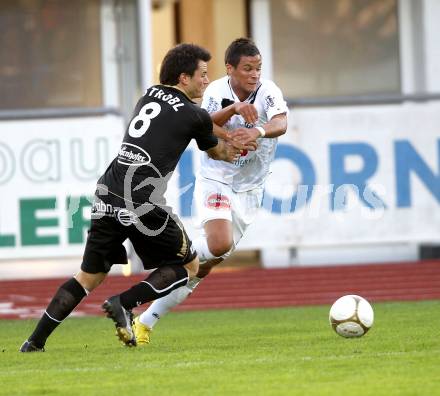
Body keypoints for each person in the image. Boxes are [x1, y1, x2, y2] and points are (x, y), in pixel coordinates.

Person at [19, 43, 250, 352]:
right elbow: (215, 149)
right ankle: (123, 303)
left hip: (108, 191)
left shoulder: (149, 95)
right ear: (184, 78)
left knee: (88, 276)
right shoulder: (193, 114)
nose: (207, 81)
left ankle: (34, 341)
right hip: (141, 198)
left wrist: (227, 127)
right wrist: (236, 148)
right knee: (188, 266)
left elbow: (197, 123)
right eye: (203, 75)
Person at [131, 37, 288, 346]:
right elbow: (202, 126)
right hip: (217, 177)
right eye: (247, 69)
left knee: (203, 267)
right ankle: (176, 256)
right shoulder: (216, 91)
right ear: (230, 69)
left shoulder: (268, 91)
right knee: (218, 244)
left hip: (250, 188)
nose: (254, 74)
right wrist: (231, 126)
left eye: (258, 68)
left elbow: (282, 122)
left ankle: (145, 321)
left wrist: (255, 131)